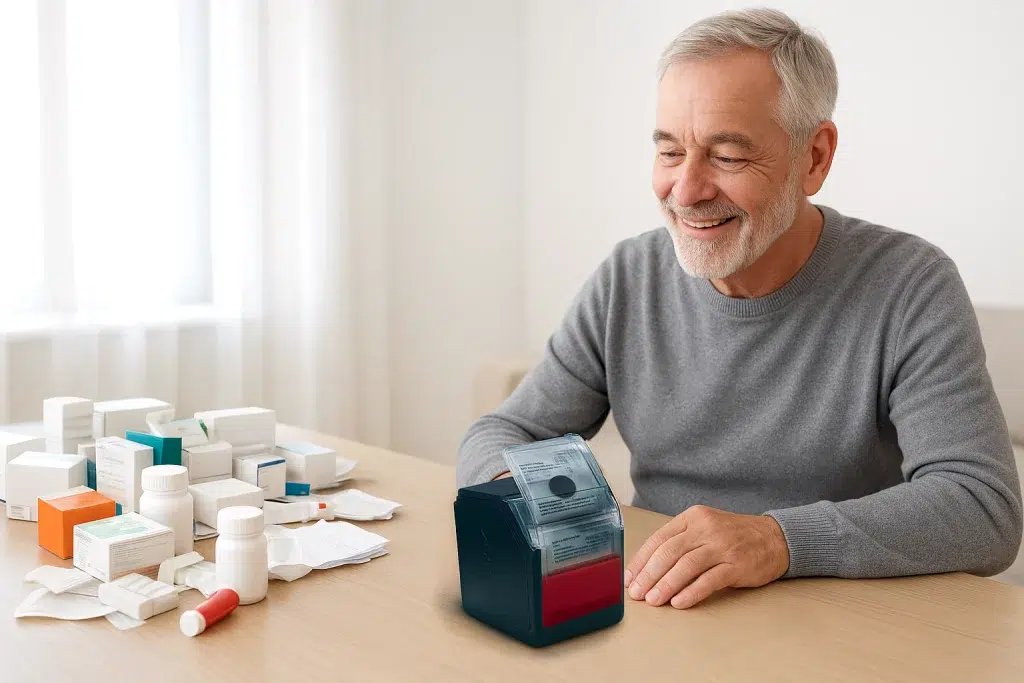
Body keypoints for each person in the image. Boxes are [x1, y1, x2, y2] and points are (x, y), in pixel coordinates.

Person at [456, 7, 1022, 609]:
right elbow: (505, 431)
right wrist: (521, 494)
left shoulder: (911, 285)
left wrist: (778, 539)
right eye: (670, 153)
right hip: (660, 607)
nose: (688, 190)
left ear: (815, 158)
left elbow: (982, 506)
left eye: (727, 156)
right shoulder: (629, 276)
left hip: (840, 619)